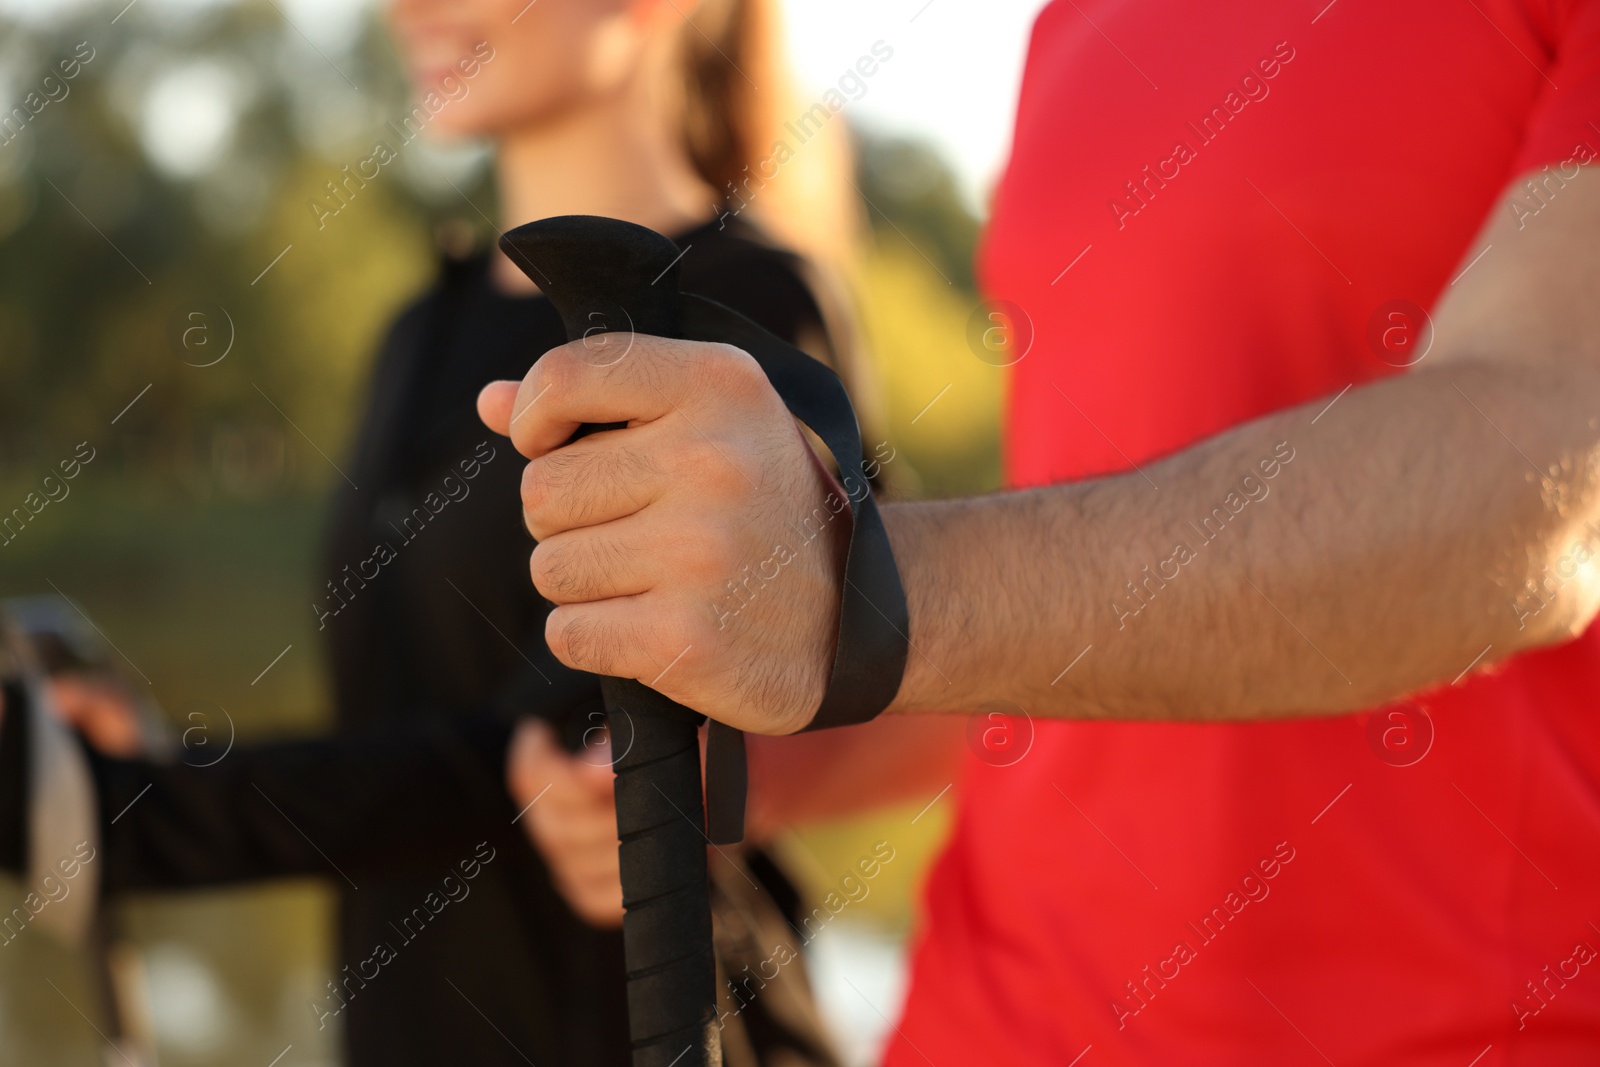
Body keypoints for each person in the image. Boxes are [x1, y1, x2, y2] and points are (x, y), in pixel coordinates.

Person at [477, 0, 1600, 1062]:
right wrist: (774, 745)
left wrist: (857, 583)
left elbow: (1545, 484)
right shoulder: (1075, 25)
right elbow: (1045, 622)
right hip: (987, 1018)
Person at [2, 0, 924, 1062]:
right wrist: (128, 759)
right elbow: (410, 724)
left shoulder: (746, 301)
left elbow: (550, 748)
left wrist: (124, 813)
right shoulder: (416, 334)